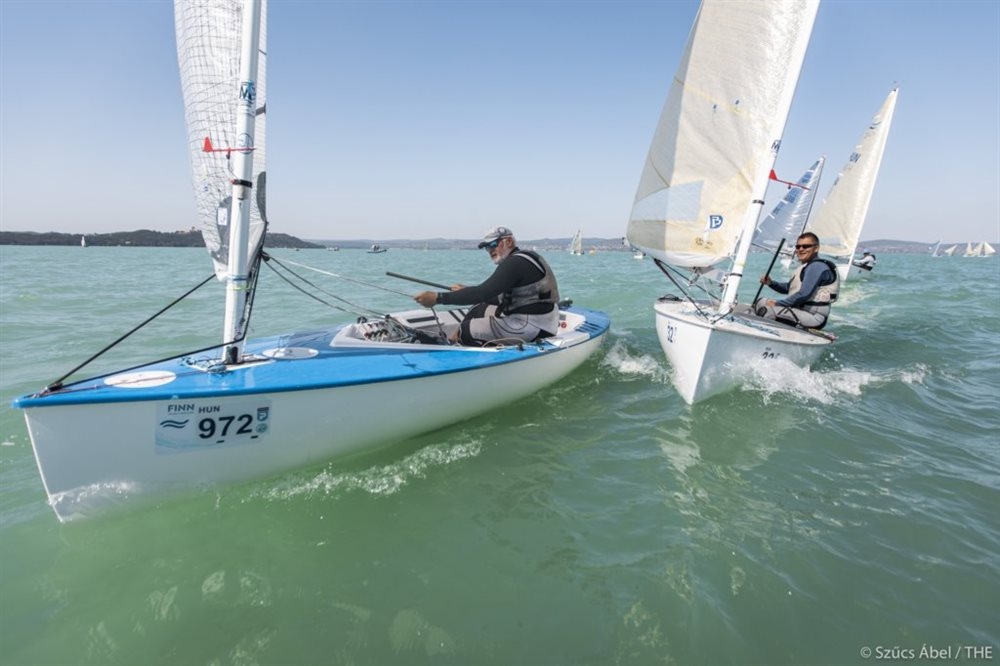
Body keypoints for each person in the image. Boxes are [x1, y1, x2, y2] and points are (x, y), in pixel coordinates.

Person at [414, 226, 560, 345]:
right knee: (477, 309)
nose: (490, 250)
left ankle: (465, 349)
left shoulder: (515, 263)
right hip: (539, 321)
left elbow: (482, 293)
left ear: (509, 242)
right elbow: (492, 295)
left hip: (535, 327)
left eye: (493, 245)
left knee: (466, 330)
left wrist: (438, 298)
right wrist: (467, 290)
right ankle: (452, 342)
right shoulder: (518, 260)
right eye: (487, 247)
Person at [754, 231, 839, 330]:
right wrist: (771, 283)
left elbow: (803, 294)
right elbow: (789, 288)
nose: (801, 249)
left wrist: (777, 304)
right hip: (799, 311)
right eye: (798, 247)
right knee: (761, 302)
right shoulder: (807, 266)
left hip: (814, 317)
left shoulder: (817, 266)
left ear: (816, 248)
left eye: (806, 246)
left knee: (767, 311)